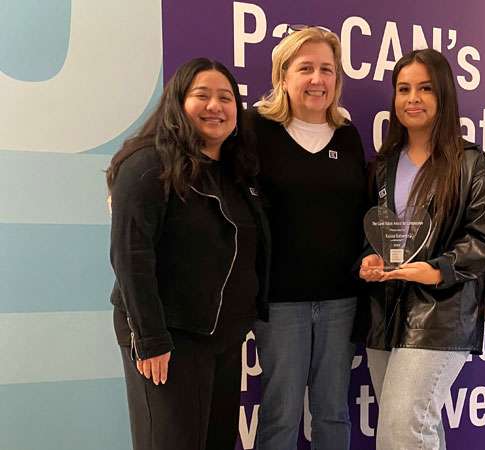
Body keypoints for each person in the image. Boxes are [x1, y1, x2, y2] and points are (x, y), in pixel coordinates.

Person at [107, 58, 269, 450]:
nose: (215, 106)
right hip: (169, 338)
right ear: (177, 103)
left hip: (223, 339)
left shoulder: (235, 172)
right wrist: (150, 339)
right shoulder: (147, 165)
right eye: (202, 95)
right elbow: (131, 255)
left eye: (226, 98)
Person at [359, 48, 485, 450]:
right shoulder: (383, 165)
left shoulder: (470, 162)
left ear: (444, 96)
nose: (412, 98)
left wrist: (438, 269)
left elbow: (484, 236)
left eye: (424, 88)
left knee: (401, 432)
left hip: (440, 313)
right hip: (385, 312)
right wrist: (367, 260)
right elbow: (370, 233)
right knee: (415, 427)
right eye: (403, 89)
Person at [244, 27, 367, 450]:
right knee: (281, 414)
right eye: (306, 68)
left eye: (327, 70)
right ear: (283, 75)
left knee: (333, 412)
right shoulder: (254, 129)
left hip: (340, 301)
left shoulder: (348, 135)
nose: (318, 79)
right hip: (279, 302)